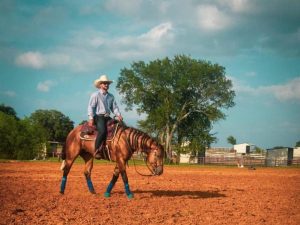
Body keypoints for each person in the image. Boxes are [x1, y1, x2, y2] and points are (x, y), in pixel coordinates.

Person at [87, 74, 123, 159]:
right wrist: (91, 118)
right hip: (99, 116)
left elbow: (114, 108)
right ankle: (96, 150)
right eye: (104, 83)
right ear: (100, 85)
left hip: (107, 117)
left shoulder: (111, 96)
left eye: (107, 83)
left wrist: (118, 115)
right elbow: (91, 106)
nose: (106, 85)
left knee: (120, 127)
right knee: (102, 131)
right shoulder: (95, 95)